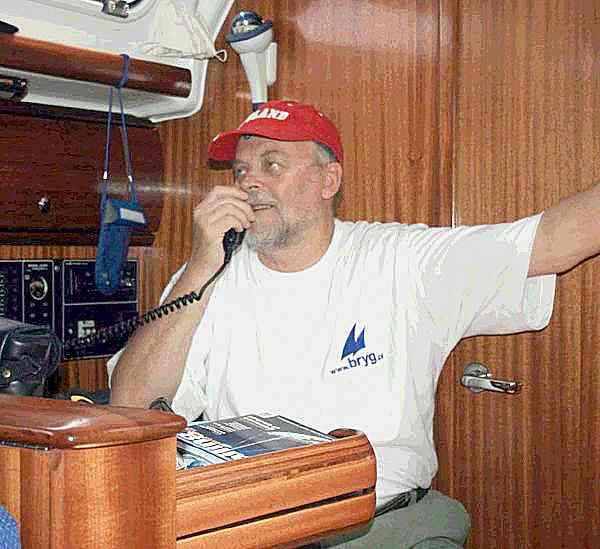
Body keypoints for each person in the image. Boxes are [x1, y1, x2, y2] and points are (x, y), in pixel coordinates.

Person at [108, 99, 600, 548]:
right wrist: (199, 267)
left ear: (329, 181)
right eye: (241, 170)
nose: (248, 183)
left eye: (272, 165)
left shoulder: (399, 261)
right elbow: (130, 406)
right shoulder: (205, 278)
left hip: (379, 523)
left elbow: (552, 242)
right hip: (250, 526)